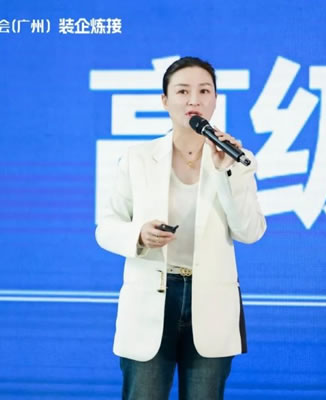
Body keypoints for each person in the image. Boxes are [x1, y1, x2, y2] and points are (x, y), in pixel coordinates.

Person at [95, 56, 266, 400]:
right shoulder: (138, 157)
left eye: (204, 91)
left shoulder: (235, 158)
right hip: (151, 298)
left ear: (215, 99)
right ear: (165, 100)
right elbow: (107, 226)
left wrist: (227, 172)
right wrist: (139, 235)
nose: (194, 100)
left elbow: (250, 231)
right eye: (183, 91)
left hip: (211, 302)